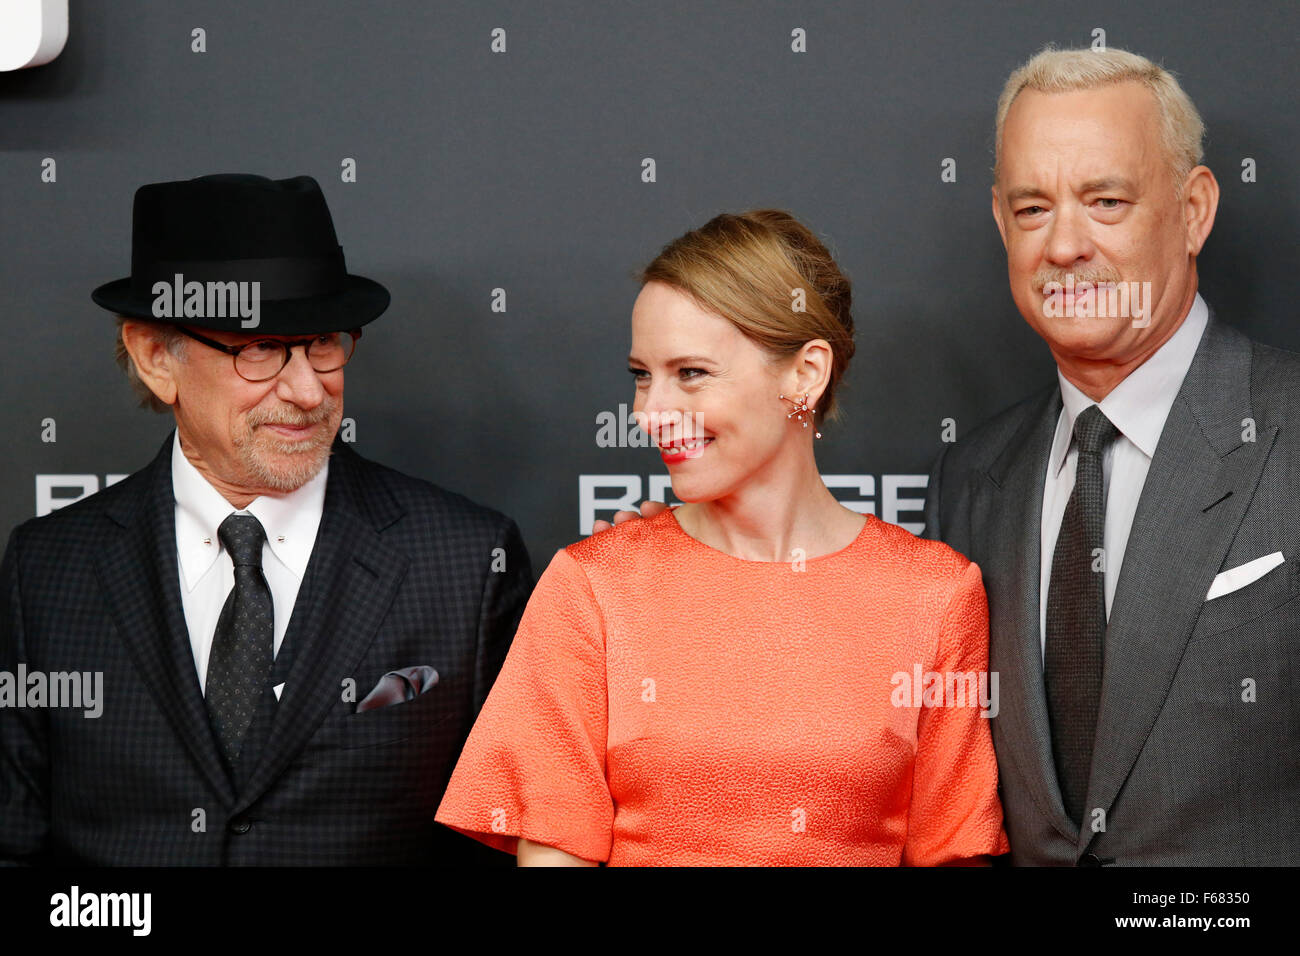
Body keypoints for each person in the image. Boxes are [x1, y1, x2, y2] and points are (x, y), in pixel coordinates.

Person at [435, 209, 1008, 865]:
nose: (649, 413)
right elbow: (553, 852)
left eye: (691, 373)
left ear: (805, 375)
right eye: (641, 375)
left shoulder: (934, 595)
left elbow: (953, 851)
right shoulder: (592, 587)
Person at [0, 173, 533, 865]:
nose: (309, 389)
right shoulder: (48, 569)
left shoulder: (466, 560)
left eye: (324, 343)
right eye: (259, 349)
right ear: (156, 356)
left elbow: (507, 841)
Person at [924, 47, 1300, 864]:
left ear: (1194, 210)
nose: (1064, 246)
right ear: (1000, 222)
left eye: (1106, 201)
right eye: (1032, 210)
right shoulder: (970, 479)